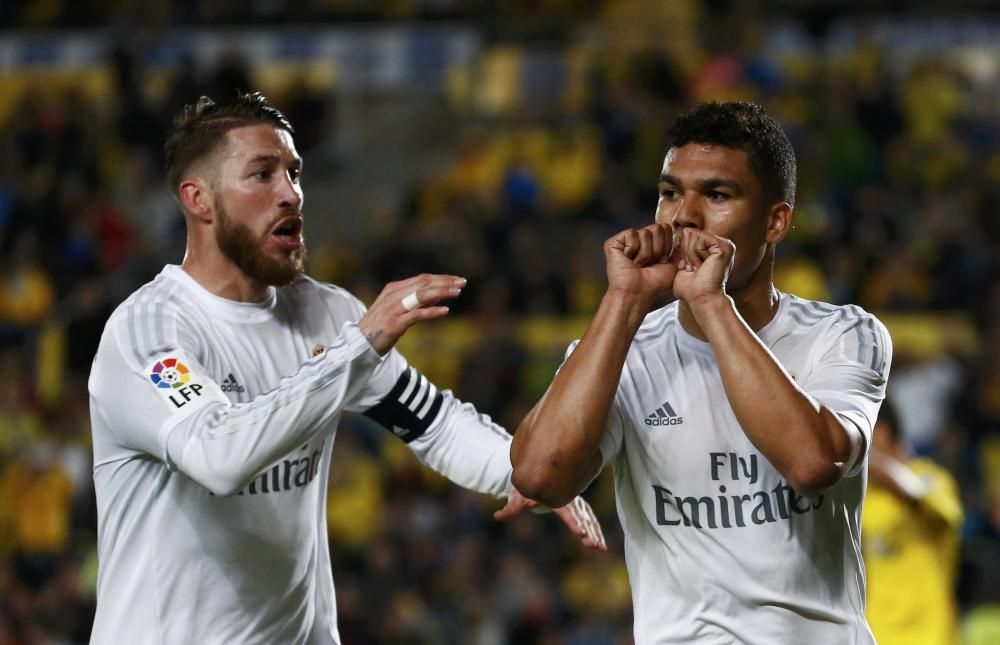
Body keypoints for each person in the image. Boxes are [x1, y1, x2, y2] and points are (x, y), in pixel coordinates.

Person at [87, 92, 604, 644]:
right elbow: (217, 458)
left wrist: (520, 471)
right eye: (261, 175)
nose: (289, 194)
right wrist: (358, 348)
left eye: (294, 172)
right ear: (199, 199)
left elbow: (433, 422)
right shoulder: (148, 333)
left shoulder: (327, 314)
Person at [510, 101, 892, 643]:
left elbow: (813, 461)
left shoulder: (843, 334)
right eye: (670, 194)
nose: (683, 217)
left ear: (776, 222)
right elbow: (539, 477)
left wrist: (711, 304)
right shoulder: (622, 349)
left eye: (717, 195)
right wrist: (623, 300)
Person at [862, 398, 963, 645]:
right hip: (876, 634)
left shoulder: (930, 477)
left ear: (882, 432)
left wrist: (866, 457)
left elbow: (945, 516)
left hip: (930, 634)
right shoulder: (861, 499)